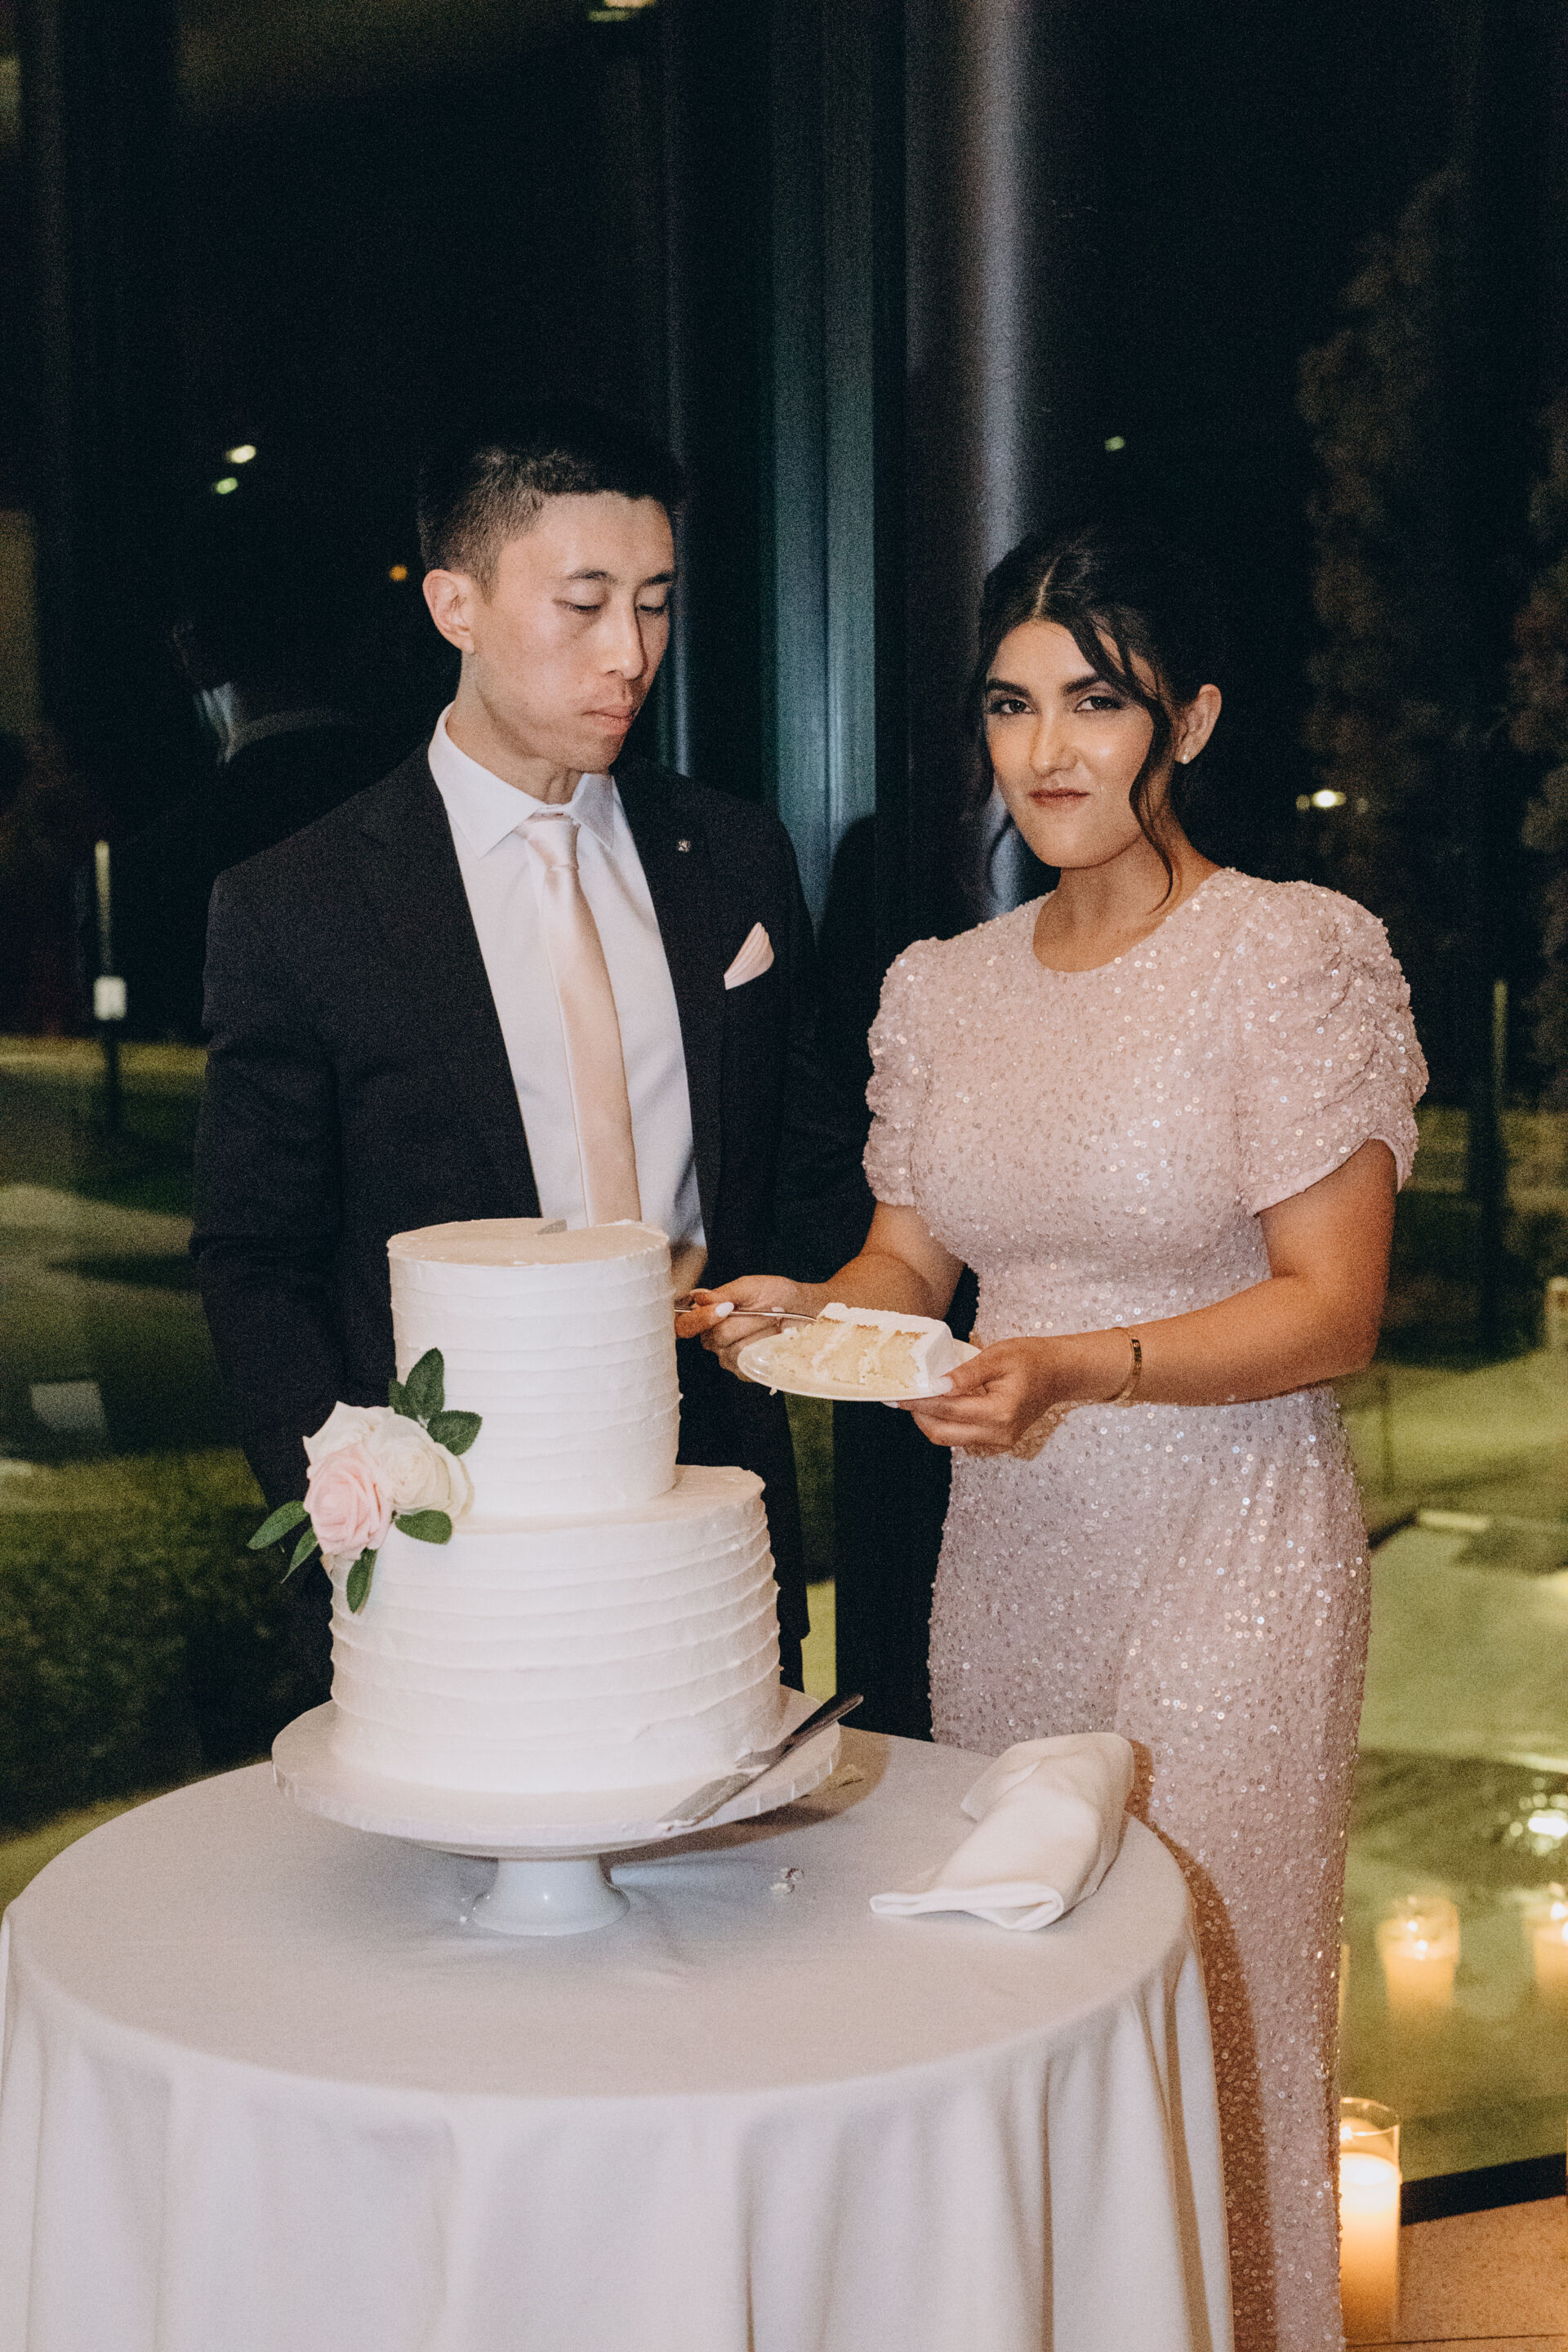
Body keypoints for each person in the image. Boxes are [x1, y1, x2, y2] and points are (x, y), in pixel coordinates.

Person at [681, 517, 1426, 2352]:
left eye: (1098, 701)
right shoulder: (945, 985)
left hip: (1231, 1559)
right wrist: (807, 1310)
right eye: (1012, 706)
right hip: (1012, 1560)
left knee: (1211, 2007)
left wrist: (1079, 1366)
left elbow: (1331, 1307)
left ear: (1193, 720)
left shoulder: (1287, 956)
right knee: (1027, 1997)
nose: (1047, 750)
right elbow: (911, 1264)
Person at [193, 401, 862, 1695]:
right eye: (585, 604)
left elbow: (810, 1155)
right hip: (457, 1534)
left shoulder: (733, 856)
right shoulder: (300, 905)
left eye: (655, 604)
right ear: (456, 605)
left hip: (715, 1502)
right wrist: (346, 1494)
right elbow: (254, 1255)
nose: (631, 654)